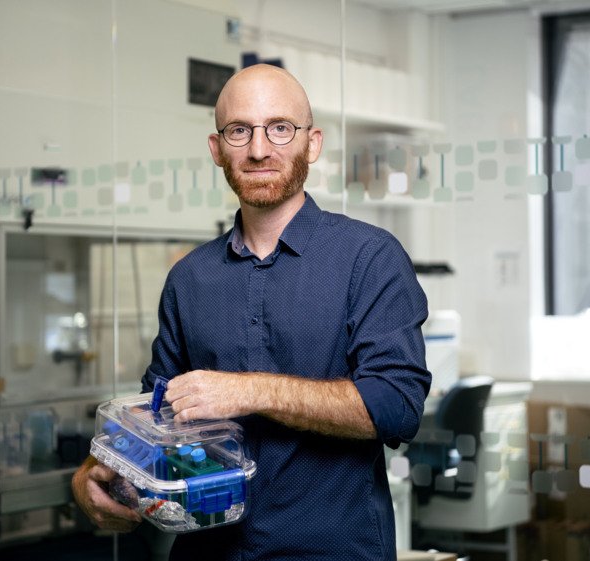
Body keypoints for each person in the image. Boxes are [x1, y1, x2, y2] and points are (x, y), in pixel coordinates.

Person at [72, 63, 431, 561]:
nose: (259, 149)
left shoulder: (368, 259)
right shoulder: (189, 278)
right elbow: (154, 415)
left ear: (313, 143)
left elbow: (397, 405)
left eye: (280, 128)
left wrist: (248, 390)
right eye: (240, 131)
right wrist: (95, 472)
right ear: (217, 149)